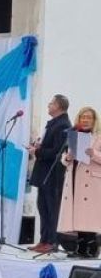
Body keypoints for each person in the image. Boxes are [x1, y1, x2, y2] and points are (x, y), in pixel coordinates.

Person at [28, 95, 71, 252]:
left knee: (52, 209)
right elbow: (50, 146)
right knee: (43, 208)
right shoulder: (54, 123)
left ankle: (52, 242)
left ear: (59, 106)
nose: (48, 105)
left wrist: (38, 151)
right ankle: (44, 239)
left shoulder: (63, 125)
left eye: (51, 103)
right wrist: (38, 146)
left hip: (53, 175)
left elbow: (56, 152)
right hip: (44, 174)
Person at [58, 106, 101, 257]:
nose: (85, 120)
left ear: (94, 120)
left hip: (92, 182)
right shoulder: (75, 136)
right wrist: (67, 158)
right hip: (75, 179)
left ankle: (91, 247)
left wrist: (93, 153)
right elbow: (66, 158)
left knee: (88, 216)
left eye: (89, 117)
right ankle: (80, 246)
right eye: (83, 117)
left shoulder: (99, 136)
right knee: (78, 215)